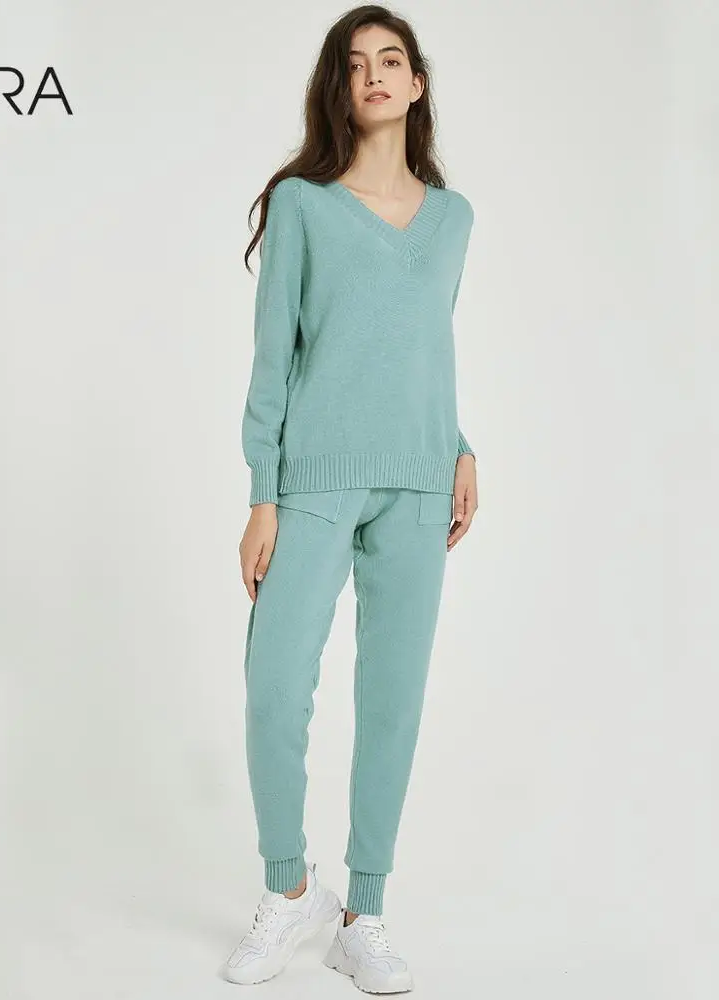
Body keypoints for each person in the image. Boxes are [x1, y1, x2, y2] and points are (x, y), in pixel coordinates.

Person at [221, 6, 478, 992]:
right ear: (340, 87)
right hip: (313, 480)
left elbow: (423, 349)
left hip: (419, 479)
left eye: (391, 59)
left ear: (415, 84)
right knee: (274, 689)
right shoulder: (302, 205)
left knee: (392, 702)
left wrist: (458, 446)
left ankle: (364, 911)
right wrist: (263, 493)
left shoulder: (454, 219)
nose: (374, 74)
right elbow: (274, 355)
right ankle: (290, 889)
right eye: (356, 63)